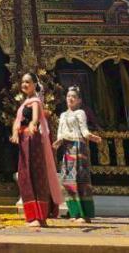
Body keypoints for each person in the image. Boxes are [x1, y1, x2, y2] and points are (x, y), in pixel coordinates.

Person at [11, 72, 62, 228]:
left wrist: (33, 125)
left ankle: (40, 216)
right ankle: (33, 215)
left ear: (34, 84)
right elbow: (17, 121)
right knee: (25, 175)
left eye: (28, 82)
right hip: (24, 140)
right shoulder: (23, 103)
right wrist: (15, 133)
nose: (24, 84)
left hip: (33, 140)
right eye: (23, 82)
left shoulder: (35, 101)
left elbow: (35, 118)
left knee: (35, 175)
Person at [54, 86, 102, 223]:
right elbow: (60, 132)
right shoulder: (63, 115)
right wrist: (58, 142)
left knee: (80, 180)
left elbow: (84, 130)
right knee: (68, 180)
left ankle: (84, 214)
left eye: (74, 97)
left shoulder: (80, 113)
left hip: (78, 147)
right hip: (67, 148)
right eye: (68, 96)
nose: (70, 98)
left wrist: (91, 136)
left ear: (79, 100)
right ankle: (74, 212)